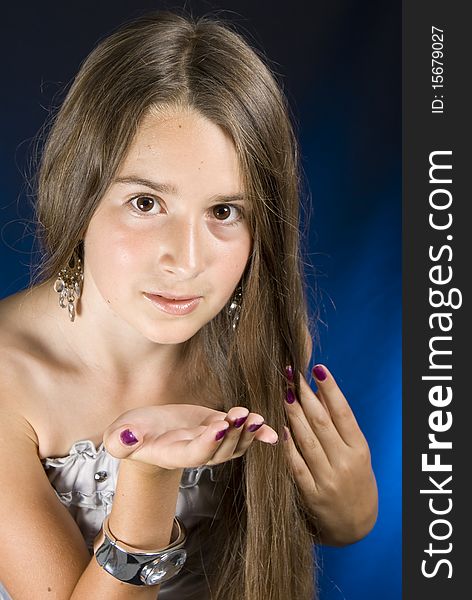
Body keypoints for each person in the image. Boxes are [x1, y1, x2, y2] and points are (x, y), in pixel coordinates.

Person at [0, 10, 378, 600]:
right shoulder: (8, 379)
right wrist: (149, 476)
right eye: (147, 203)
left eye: (224, 212)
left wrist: (350, 514)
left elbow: (289, 538)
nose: (187, 260)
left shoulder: (261, 339)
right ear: (78, 191)